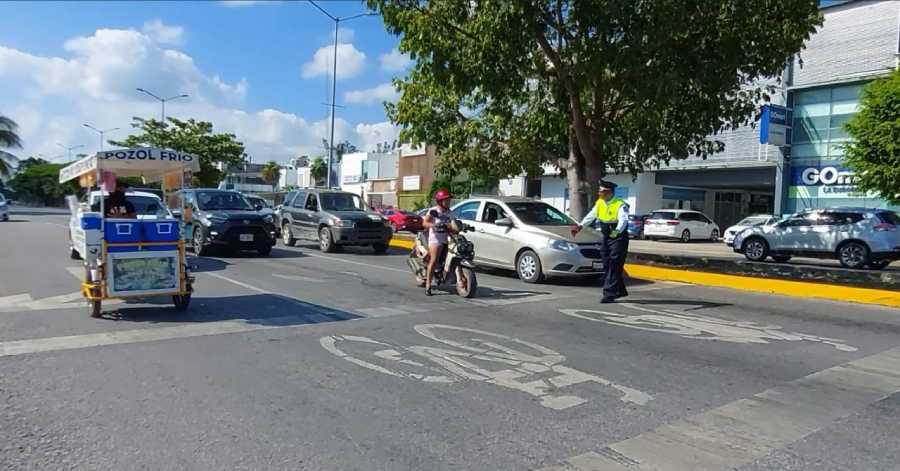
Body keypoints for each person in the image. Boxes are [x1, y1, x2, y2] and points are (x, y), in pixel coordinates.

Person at [572, 180, 629, 303]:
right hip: (606, 236)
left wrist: (617, 231)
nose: (599, 193)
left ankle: (609, 294)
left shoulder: (620, 204)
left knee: (614, 264)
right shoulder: (600, 203)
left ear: (608, 192)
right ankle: (620, 290)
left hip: (618, 237)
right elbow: (591, 216)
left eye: (601, 191)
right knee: (607, 263)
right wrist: (580, 226)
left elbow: (623, 220)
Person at [421, 188, 455, 296]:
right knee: (434, 260)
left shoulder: (450, 212)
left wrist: (459, 227)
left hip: (446, 239)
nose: (448, 202)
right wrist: (434, 225)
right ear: (440, 201)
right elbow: (425, 223)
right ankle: (428, 285)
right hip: (435, 239)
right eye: (446, 200)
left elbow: (454, 224)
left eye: (449, 200)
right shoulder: (433, 211)